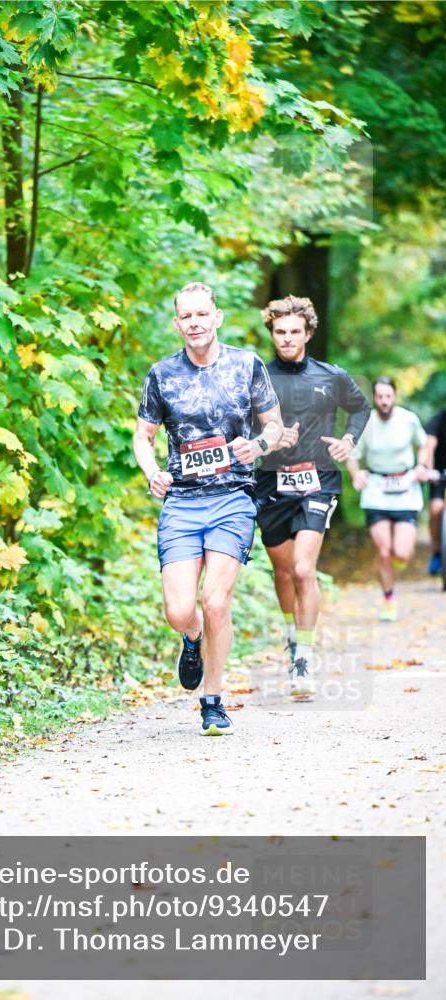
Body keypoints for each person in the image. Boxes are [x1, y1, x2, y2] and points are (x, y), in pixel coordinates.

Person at [133, 282, 283, 736]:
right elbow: (144, 436)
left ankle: (213, 702)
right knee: (181, 611)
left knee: (215, 600)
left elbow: (274, 426)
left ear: (216, 317)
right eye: (186, 316)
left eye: (202, 314)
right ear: (177, 323)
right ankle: (191, 639)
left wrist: (255, 446)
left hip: (232, 500)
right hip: (181, 502)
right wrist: (151, 471)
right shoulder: (162, 375)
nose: (195, 323)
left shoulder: (246, 365)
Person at [254, 295, 371, 693]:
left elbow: (361, 407)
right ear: (271, 332)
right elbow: (237, 425)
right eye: (280, 332)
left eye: (294, 332)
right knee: (283, 570)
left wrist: (348, 441)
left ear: (308, 333)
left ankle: (303, 659)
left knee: (304, 569)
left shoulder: (331, 376)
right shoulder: (258, 378)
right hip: (271, 482)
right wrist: (265, 440)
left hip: (318, 479)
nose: (287, 339)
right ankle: (291, 634)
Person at [346, 377, 430, 620]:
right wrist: (355, 473)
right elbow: (352, 454)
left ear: (395, 396)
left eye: (388, 396)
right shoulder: (366, 423)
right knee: (384, 551)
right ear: (374, 397)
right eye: (379, 397)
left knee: (401, 553)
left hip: (405, 488)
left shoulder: (408, 419)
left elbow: (423, 445)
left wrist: (421, 466)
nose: (384, 401)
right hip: (376, 489)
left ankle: (394, 567)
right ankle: (389, 601)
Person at [425, 406, 446, 575]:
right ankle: (437, 552)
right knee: (436, 509)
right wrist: (429, 470)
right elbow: (429, 446)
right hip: (439, 474)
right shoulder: (438, 419)